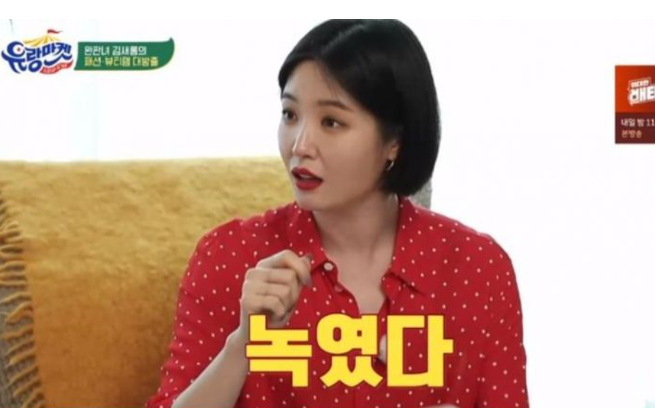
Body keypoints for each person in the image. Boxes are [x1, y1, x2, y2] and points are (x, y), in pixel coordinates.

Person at [145, 19, 529, 408]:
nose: (300, 145)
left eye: (331, 122)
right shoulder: (230, 256)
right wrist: (243, 344)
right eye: (290, 115)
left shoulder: (478, 268)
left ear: (394, 142)